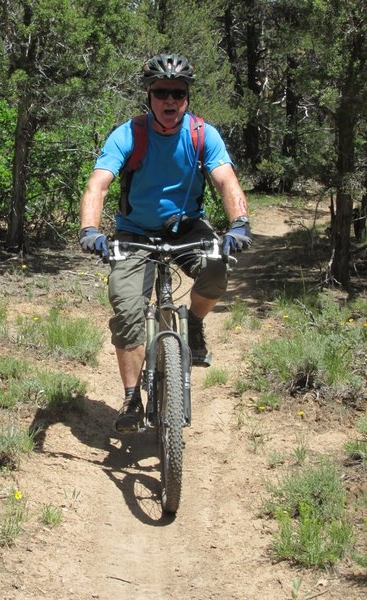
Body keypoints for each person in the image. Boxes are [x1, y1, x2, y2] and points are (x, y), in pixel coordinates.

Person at [79, 53, 251, 433]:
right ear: (149, 95)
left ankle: (194, 323)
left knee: (215, 272)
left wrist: (239, 223)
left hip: (187, 228)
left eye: (178, 92)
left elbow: (226, 181)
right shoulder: (129, 134)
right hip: (135, 233)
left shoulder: (202, 134)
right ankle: (130, 399)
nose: (169, 100)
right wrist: (90, 230)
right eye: (161, 92)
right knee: (127, 312)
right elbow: (98, 184)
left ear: (187, 97)